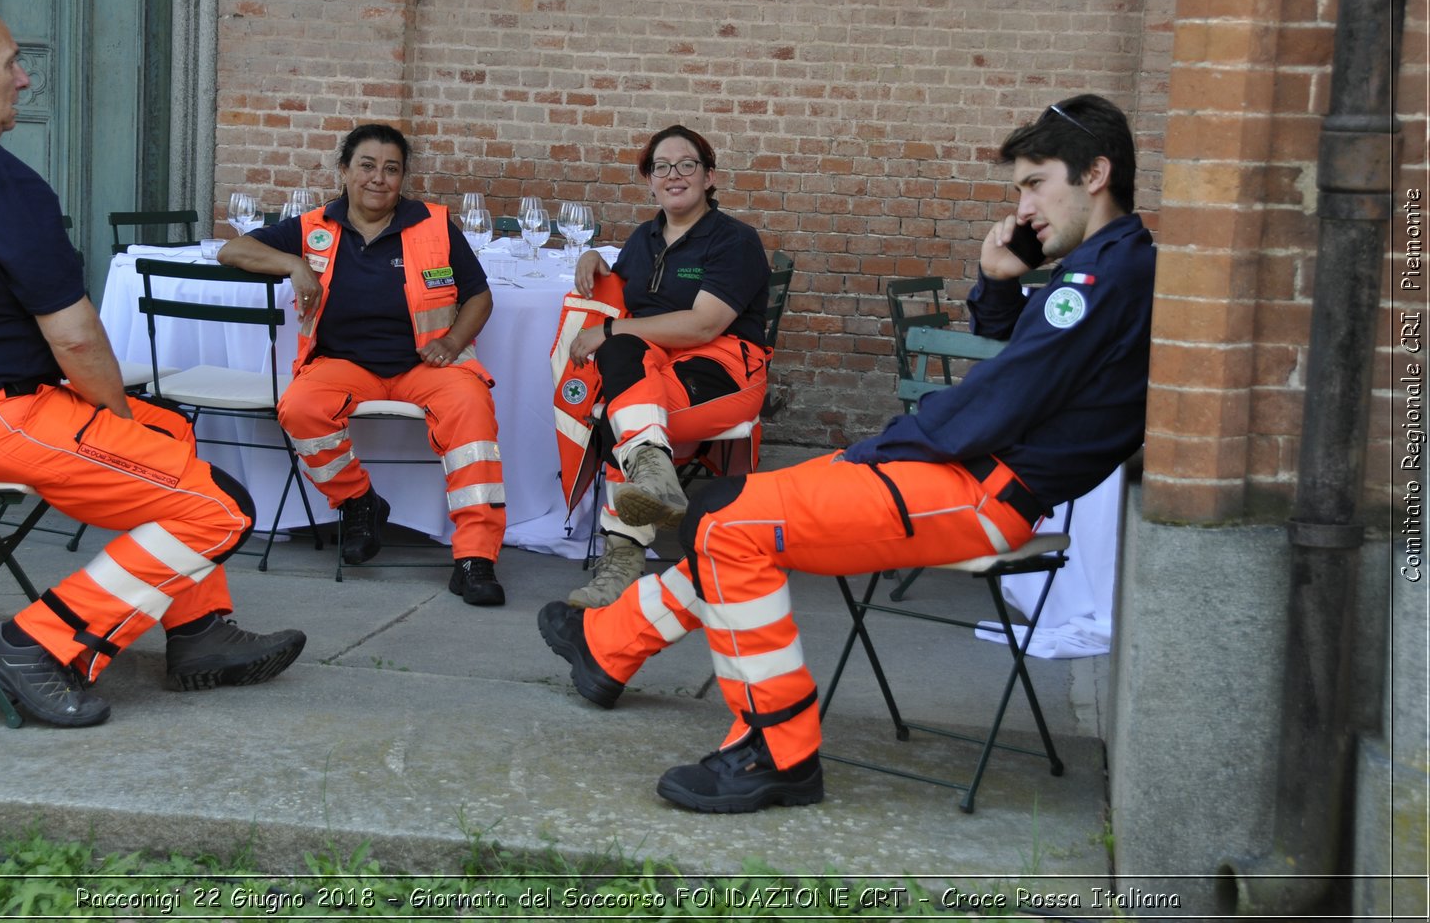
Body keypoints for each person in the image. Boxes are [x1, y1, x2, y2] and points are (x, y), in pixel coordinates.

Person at [538, 94, 1155, 813]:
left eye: (1034, 183)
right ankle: (608, 645)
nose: (1022, 207)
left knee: (725, 523)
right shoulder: (1110, 264)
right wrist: (996, 282)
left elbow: (1001, 398)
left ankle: (776, 750)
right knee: (727, 513)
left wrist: (878, 448)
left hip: (984, 493)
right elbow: (1017, 359)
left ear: (1096, 173)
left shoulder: (1101, 278)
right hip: (963, 476)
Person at [0, 1, 306, 728]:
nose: (24, 79)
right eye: (11, 62)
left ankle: (200, 632)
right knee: (220, 508)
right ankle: (33, 643)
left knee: (171, 435)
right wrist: (111, 419)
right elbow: (78, 337)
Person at [216, 123, 507, 605]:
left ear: (403, 178)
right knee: (300, 407)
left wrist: (454, 341)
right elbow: (232, 249)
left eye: (391, 169)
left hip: (426, 367)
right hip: (345, 363)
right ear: (345, 171)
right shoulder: (313, 227)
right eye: (367, 166)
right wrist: (294, 264)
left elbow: (479, 295)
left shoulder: (433, 224)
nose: (379, 178)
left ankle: (476, 558)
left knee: (473, 413)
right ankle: (358, 502)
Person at [558, 125, 772, 608]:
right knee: (630, 399)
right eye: (661, 167)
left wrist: (612, 332)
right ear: (649, 181)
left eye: (686, 164)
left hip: (723, 369)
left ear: (709, 175)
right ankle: (654, 482)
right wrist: (595, 255)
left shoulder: (733, 240)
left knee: (623, 409)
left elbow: (701, 326)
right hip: (657, 369)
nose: (673, 175)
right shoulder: (645, 237)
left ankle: (622, 561)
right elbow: (625, 284)